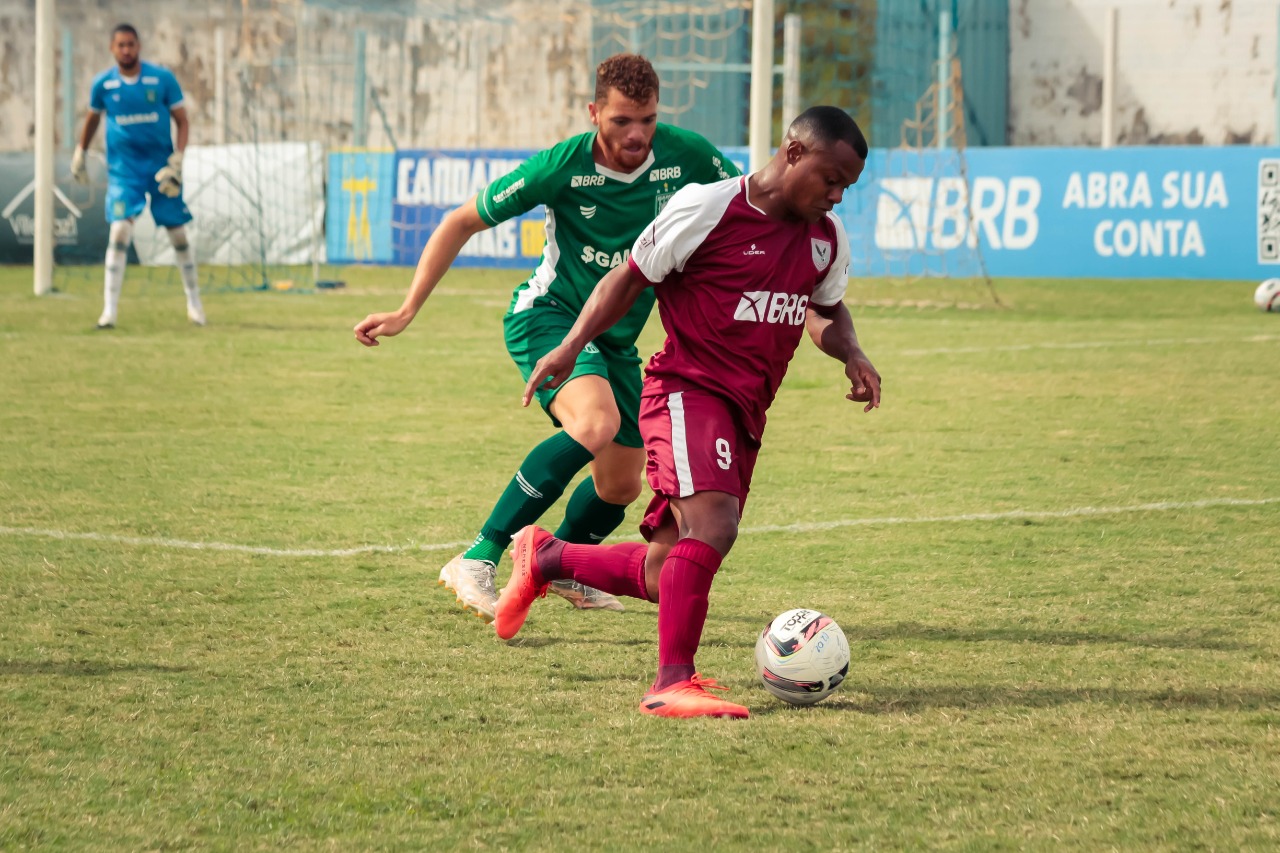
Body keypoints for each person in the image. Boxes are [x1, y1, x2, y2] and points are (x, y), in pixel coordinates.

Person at [494, 106, 882, 720]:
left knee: (660, 572)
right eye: (830, 180)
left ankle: (545, 555)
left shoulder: (825, 240)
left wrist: (852, 353)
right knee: (715, 528)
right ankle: (673, 680)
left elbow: (827, 311)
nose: (836, 197)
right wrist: (568, 347)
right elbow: (626, 280)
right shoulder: (707, 208)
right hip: (686, 391)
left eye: (846, 188)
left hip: (746, 415)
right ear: (794, 153)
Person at [353, 54, 739, 621]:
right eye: (621, 122)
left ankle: (557, 563)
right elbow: (460, 221)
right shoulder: (560, 166)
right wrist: (408, 308)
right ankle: (478, 555)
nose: (636, 135)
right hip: (549, 315)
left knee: (620, 486)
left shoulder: (688, 156)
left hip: (614, 337)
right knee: (595, 423)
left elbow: (752, 204)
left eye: (648, 121)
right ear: (593, 113)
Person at [72, 23, 205, 330]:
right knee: (119, 232)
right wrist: (80, 151)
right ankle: (109, 312)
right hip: (124, 173)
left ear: (139, 45)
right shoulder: (103, 85)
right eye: (121, 45)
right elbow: (93, 119)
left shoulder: (161, 79)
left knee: (179, 236)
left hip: (161, 171)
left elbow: (182, 121)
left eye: (131, 44)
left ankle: (194, 303)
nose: (127, 50)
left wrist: (179, 159)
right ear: (112, 48)